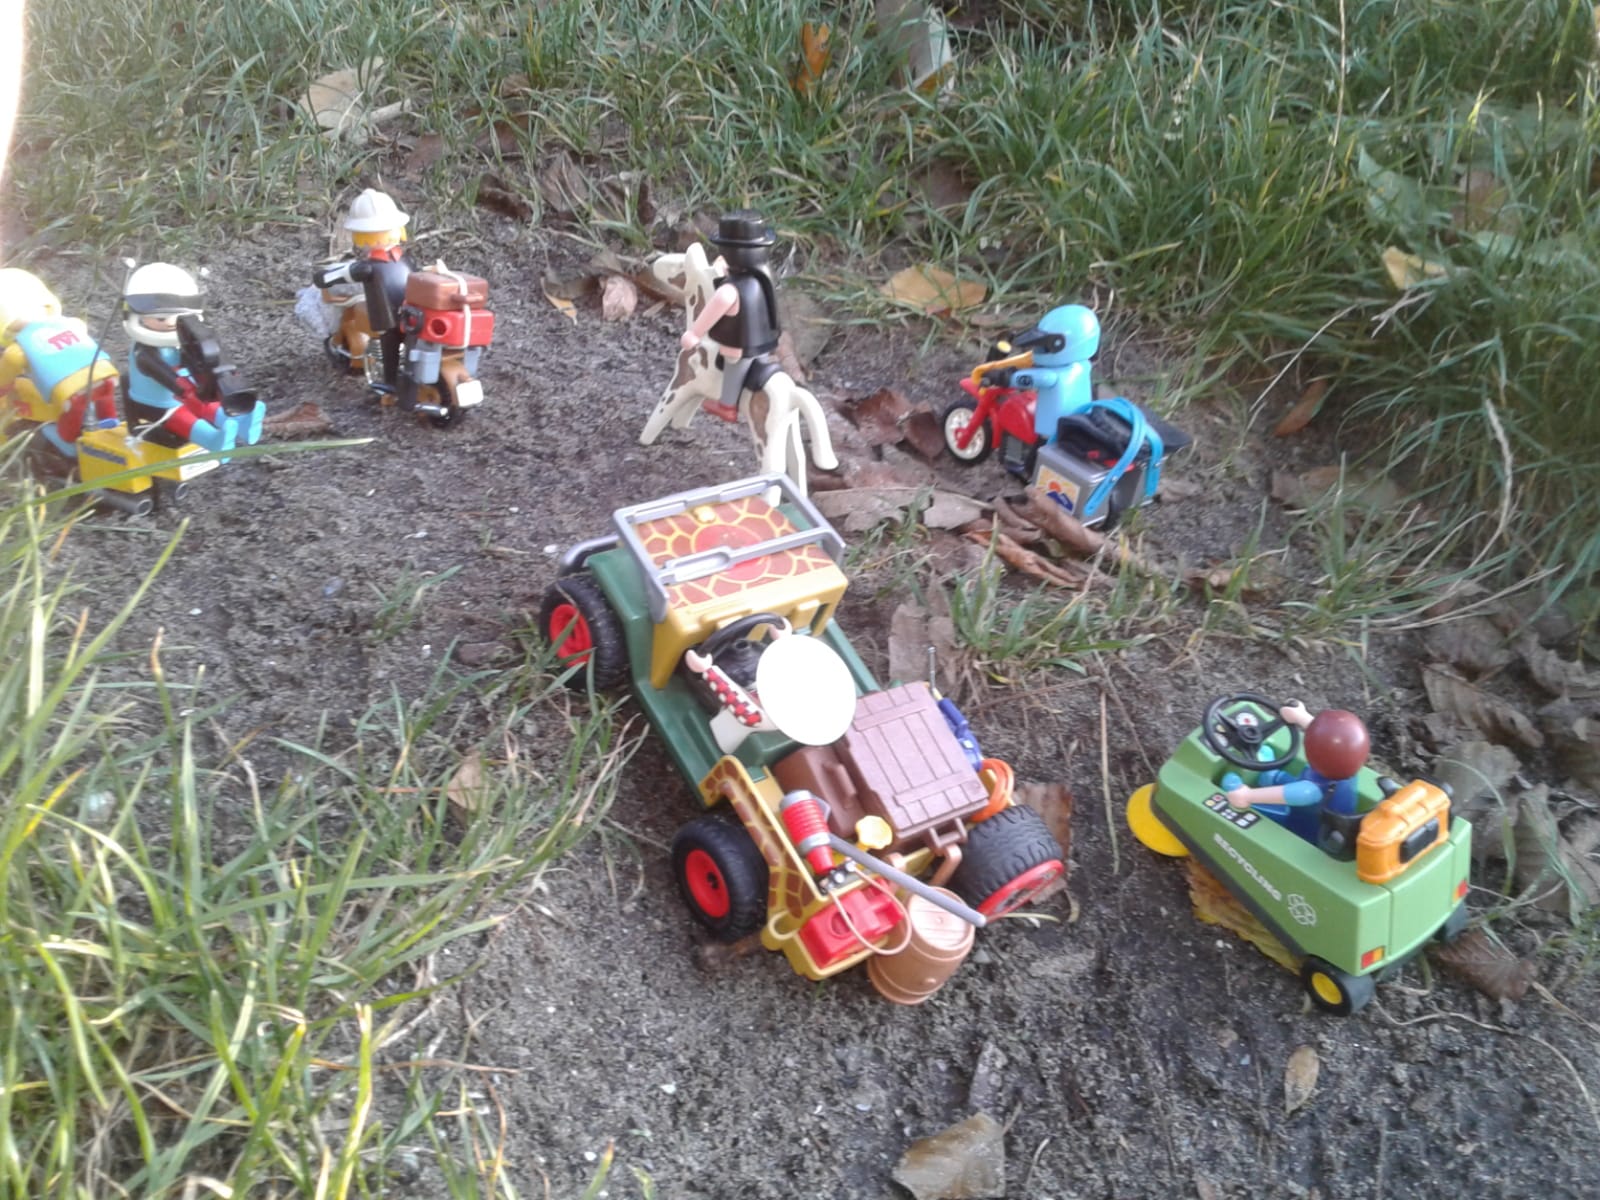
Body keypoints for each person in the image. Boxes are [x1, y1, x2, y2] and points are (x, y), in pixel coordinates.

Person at [122, 262, 263, 452]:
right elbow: (164, 375)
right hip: (155, 405)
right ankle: (212, 439)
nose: (171, 323)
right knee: (183, 418)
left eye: (178, 317)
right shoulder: (144, 352)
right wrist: (187, 392)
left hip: (183, 396)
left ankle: (242, 421)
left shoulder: (182, 341)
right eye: (161, 318)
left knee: (210, 406)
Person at [0, 267, 119, 456]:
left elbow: (9, 367)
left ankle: (68, 442)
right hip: (104, 371)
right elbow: (80, 327)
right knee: (102, 398)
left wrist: (4, 387)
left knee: (72, 413)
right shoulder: (70, 323)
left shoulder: (20, 347)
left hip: (70, 389)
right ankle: (111, 427)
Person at [678, 210, 782, 422]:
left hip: (740, 347)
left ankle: (727, 405)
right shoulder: (764, 278)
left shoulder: (729, 290)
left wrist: (694, 334)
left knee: (734, 367)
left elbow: (710, 313)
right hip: (765, 344)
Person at [1221, 702, 1371, 844]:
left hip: (1302, 825)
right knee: (1291, 783)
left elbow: (1290, 793)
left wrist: (1246, 795)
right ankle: (1271, 776)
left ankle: (1245, 789)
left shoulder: (1309, 790)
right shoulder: (1345, 763)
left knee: (1244, 800)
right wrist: (1300, 716)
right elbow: (1327, 735)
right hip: (1316, 807)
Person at [311, 188, 414, 387]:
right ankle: (390, 379)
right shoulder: (402, 259)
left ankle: (390, 383)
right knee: (395, 340)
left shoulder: (367, 267)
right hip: (407, 309)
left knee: (390, 342)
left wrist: (323, 277)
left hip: (389, 317)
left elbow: (340, 274)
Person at [1002, 304, 1100, 443]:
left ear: (1059, 345)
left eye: (1044, 347)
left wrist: (1005, 377)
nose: (1038, 350)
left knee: (1034, 452)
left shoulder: (1051, 376)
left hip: (1051, 433)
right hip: (1078, 423)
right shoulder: (1083, 366)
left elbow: (1028, 379)